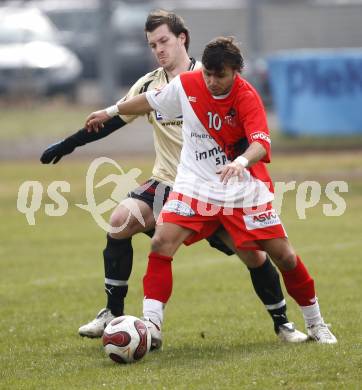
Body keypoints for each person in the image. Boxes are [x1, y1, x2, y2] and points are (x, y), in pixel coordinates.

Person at [41, 11, 307, 345]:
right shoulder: (150, 84)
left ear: (182, 38)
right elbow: (114, 118)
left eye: (164, 41)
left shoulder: (209, 76)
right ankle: (114, 314)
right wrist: (69, 144)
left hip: (215, 188)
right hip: (167, 183)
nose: (159, 50)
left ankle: (283, 323)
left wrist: (240, 162)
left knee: (252, 254)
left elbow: (245, 128)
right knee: (121, 222)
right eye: (152, 45)